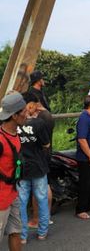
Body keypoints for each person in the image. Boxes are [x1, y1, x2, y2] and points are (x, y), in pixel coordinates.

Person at [17, 92, 50, 243]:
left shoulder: (15, 124)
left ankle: (22, 236)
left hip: (21, 168)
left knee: (21, 203)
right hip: (38, 166)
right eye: (35, 106)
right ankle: (42, 232)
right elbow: (46, 144)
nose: (37, 109)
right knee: (42, 199)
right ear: (29, 106)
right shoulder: (39, 124)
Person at [0, 92, 27, 250]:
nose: (27, 113)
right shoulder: (1, 140)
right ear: (15, 116)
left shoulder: (15, 133)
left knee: (16, 232)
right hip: (1, 198)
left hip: (13, 193)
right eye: (23, 111)